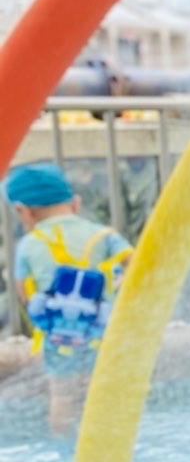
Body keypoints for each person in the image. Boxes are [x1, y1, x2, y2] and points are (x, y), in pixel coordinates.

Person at [8, 162, 131, 437]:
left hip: (59, 335)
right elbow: (135, 264)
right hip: (103, 330)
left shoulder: (29, 245)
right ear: (76, 203)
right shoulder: (103, 235)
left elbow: (24, 293)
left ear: (24, 211)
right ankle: (108, 441)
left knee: (62, 395)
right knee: (104, 389)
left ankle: (64, 443)